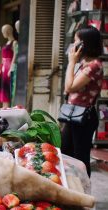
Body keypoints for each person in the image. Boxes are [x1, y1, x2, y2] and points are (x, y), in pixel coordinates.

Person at [61, 26, 103, 177]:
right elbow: (68, 90)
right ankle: (71, 189)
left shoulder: (94, 66)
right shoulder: (84, 64)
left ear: (84, 44)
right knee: (65, 151)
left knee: (81, 158)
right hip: (73, 115)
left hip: (84, 117)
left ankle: (83, 193)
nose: (73, 45)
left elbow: (69, 86)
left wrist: (71, 62)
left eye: (76, 41)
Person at [0, 24, 16, 108]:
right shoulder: (7, 42)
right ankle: (4, 106)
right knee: (3, 86)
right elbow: (2, 58)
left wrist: (11, 67)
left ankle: (7, 106)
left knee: (7, 87)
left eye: (3, 31)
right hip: (4, 66)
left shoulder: (14, 42)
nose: (3, 33)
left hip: (9, 66)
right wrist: (0, 69)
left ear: (7, 31)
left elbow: (15, 55)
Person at [10, 20, 19, 107]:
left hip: (18, 65)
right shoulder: (16, 42)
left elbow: (15, 55)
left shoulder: (16, 42)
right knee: (14, 87)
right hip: (16, 65)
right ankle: (13, 104)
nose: (17, 30)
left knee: (15, 86)